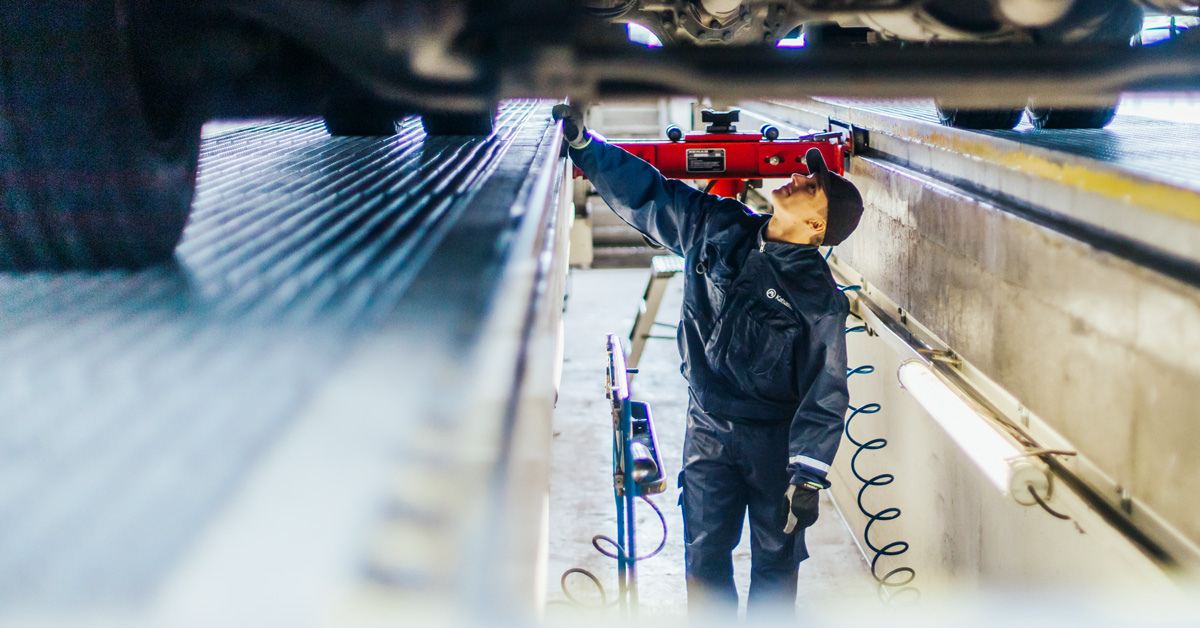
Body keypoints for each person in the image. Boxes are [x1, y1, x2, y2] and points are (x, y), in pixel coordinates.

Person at [553, 104, 865, 619]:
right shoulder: (719, 226)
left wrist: (807, 476)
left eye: (809, 185)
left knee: (775, 563)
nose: (794, 178)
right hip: (707, 433)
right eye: (804, 173)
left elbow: (826, 389)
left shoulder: (819, 299)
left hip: (774, 445)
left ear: (816, 224)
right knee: (704, 554)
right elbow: (652, 195)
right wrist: (587, 146)